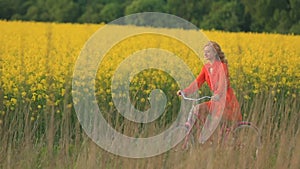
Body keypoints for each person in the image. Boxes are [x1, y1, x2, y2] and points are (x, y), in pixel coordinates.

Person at [177, 41, 242, 130]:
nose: (205, 53)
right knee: (197, 109)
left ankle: (215, 136)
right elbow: (198, 82)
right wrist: (185, 91)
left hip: (225, 100)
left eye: (208, 51)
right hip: (215, 100)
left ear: (215, 53)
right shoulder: (206, 67)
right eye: (204, 51)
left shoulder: (222, 66)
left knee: (216, 119)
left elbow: (222, 84)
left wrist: (218, 94)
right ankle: (207, 133)